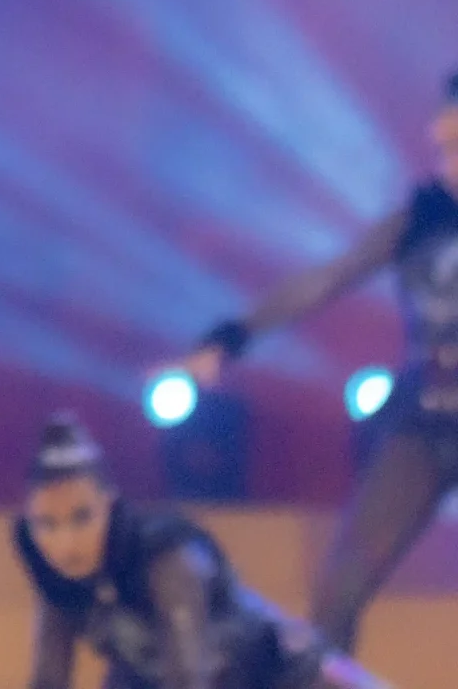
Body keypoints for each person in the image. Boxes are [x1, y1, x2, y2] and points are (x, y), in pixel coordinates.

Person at [178, 73, 458, 652]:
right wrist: (234, 336)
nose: (445, 158)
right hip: (426, 421)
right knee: (336, 594)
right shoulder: (422, 219)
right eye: (443, 149)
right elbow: (325, 281)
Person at [15, 415, 384, 689]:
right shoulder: (57, 581)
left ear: (109, 509)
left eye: (81, 518)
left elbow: (187, 677)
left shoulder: (167, 557)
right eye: (46, 524)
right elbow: (48, 681)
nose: (66, 543)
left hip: (281, 675)